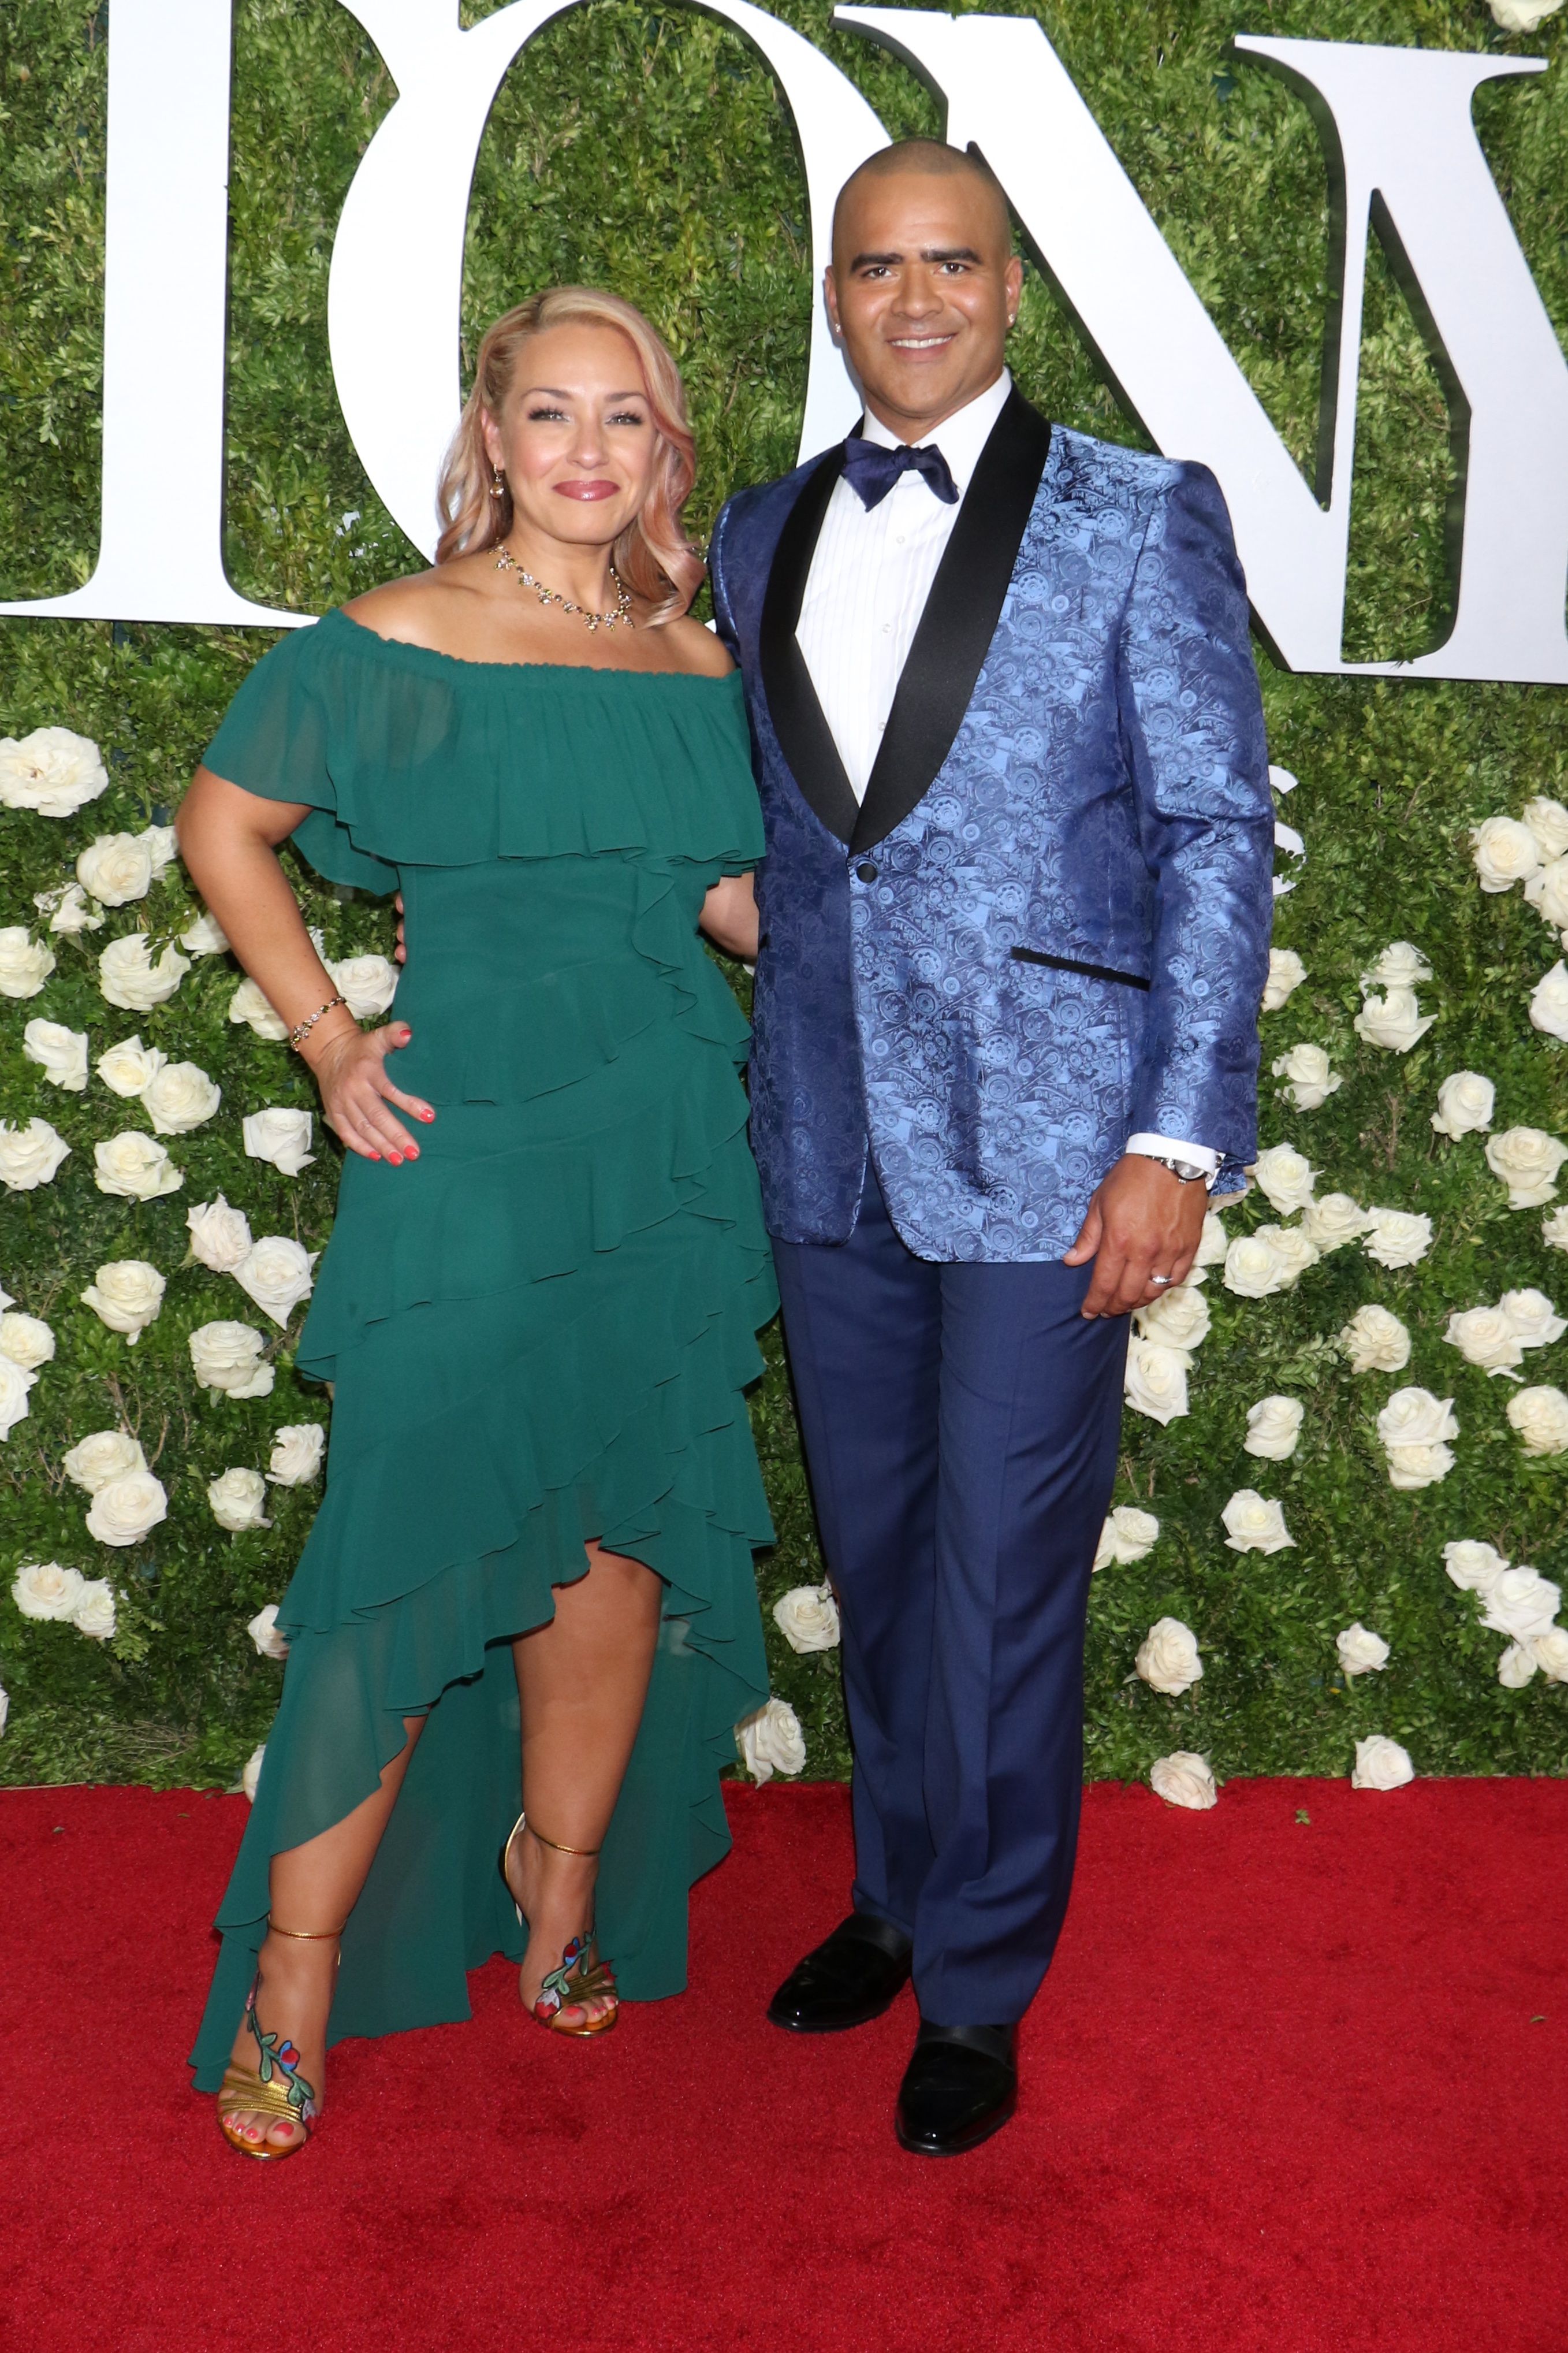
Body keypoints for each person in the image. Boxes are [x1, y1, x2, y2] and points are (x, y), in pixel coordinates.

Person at [709, 140, 1273, 2157]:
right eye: (876, 267)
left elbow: (1214, 830)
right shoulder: (755, 530)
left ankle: (978, 1982)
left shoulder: (1137, 514)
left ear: (1009, 284)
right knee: (876, 1550)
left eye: (950, 261)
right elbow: (785, 818)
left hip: (1056, 1147)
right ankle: (891, 1886)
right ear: (835, 295)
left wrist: (1175, 1133)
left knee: (1005, 1562)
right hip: (831, 1134)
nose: (915, 297)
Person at [180, 287, 775, 2159]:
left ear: (665, 451)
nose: (585, 450)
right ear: (491, 436)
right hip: (471, 1153)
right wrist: (328, 1031)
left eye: (624, 418)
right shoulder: (394, 638)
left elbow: (745, 912)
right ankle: (296, 1961)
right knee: (407, 1549)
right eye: (548, 413)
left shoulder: (704, 668)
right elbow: (223, 824)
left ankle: (561, 1872)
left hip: (668, 1145)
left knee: (611, 1543)